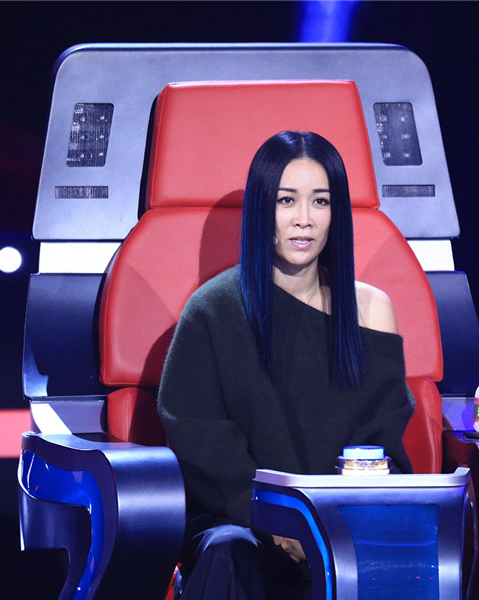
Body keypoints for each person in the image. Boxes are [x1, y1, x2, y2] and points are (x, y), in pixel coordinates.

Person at [157, 130, 414, 600]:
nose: (304, 219)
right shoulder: (213, 311)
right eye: (286, 200)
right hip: (243, 523)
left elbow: (382, 442)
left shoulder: (371, 309)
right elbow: (201, 443)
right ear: (262, 209)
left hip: (342, 523)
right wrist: (278, 523)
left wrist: (329, 525)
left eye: (320, 201)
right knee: (230, 551)